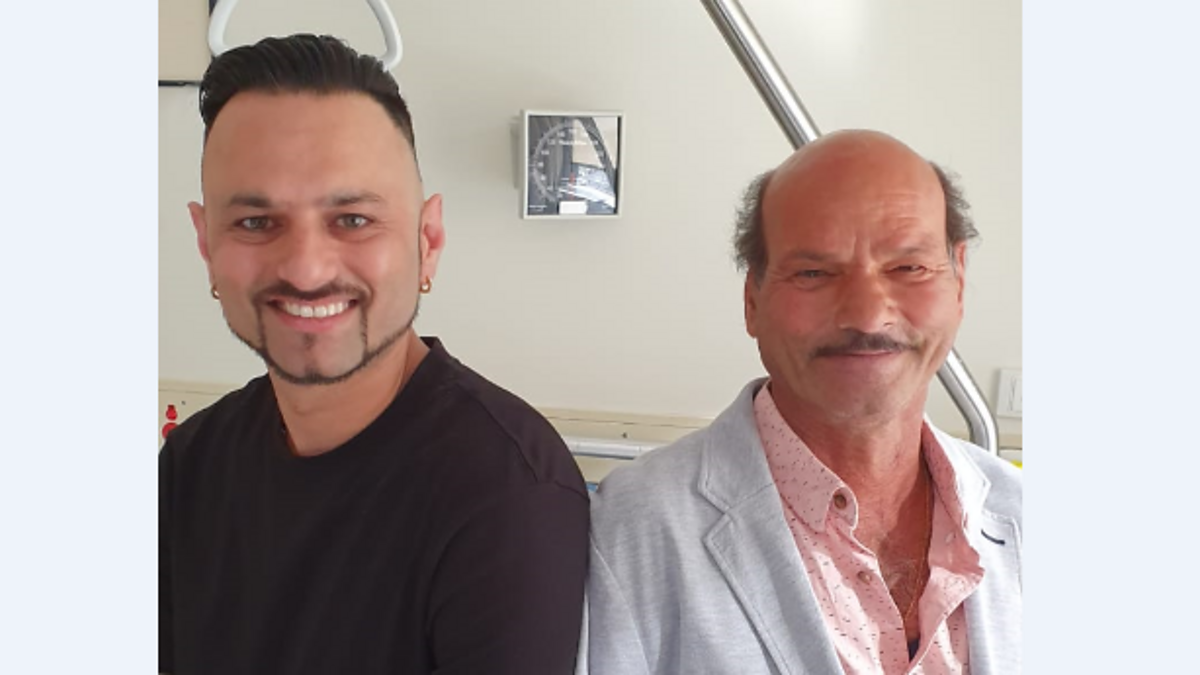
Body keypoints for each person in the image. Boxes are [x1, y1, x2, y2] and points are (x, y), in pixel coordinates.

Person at [159, 34, 589, 675]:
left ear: (428, 240)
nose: (306, 269)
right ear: (206, 245)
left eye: (353, 219)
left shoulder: (506, 496)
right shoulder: (191, 464)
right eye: (255, 223)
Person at [577, 130, 1021, 675]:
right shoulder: (630, 532)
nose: (867, 315)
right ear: (752, 299)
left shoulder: (1025, 515)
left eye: (909, 268)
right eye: (813, 273)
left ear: (958, 281)